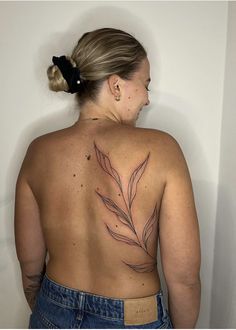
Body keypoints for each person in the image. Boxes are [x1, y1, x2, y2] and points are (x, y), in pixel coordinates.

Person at [14, 27, 201, 329]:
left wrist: (48, 310)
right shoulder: (162, 149)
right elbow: (184, 279)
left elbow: (30, 267)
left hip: (52, 310)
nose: (147, 100)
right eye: (145, 85)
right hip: (131, 318)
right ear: (116, 86)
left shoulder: (38, 151)